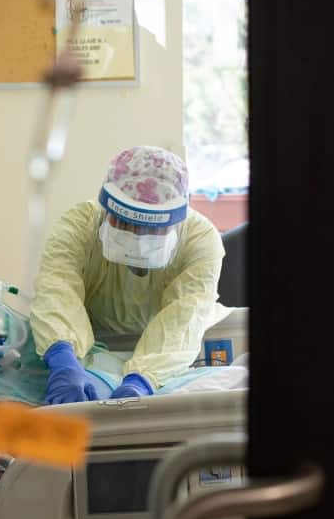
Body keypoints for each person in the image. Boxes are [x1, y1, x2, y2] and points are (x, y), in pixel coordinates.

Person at [30, 145, 227, 405]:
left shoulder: (200, 240)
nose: (137, 239)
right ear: (106, 209)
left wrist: (141, 381)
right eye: (125, 224)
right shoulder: (79, 225)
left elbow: (185, 317)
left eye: (151, 229)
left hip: (170, 356)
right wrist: (63, 359)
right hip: (86, 342)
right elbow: (56, 288)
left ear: (176, 221)